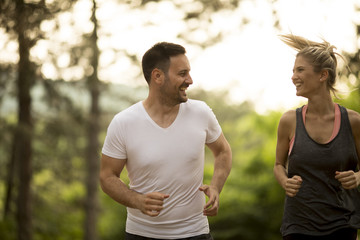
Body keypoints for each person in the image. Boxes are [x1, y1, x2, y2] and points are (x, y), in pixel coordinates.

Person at [99, 42, 232, 240]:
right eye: (182, 73)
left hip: (195, 233)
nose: (190, 80)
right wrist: (137, 200)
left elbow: (223, 152)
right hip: (141, 234)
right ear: (158, 76)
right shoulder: (124, 122)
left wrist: (215, 187)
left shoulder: (201, 112)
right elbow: (107, 176)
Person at [273, 33, 360, 240]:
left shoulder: (354, 122)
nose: (293, 76)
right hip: (298, 226)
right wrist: (285, 181)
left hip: (343, 226)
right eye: (294, 71)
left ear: (323, 75)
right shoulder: (289, 121)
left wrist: (357, 177)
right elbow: (278, 165)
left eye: (300, 70)